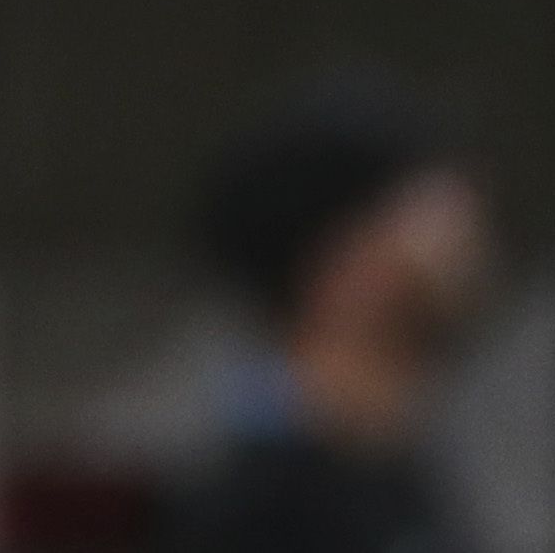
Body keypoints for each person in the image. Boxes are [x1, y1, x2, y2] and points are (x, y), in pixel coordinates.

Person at [157, 82, 492, 553]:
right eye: (422, 207)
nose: (465, 234)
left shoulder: (397, 474)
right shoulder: (257, 513)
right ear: (339, 264)